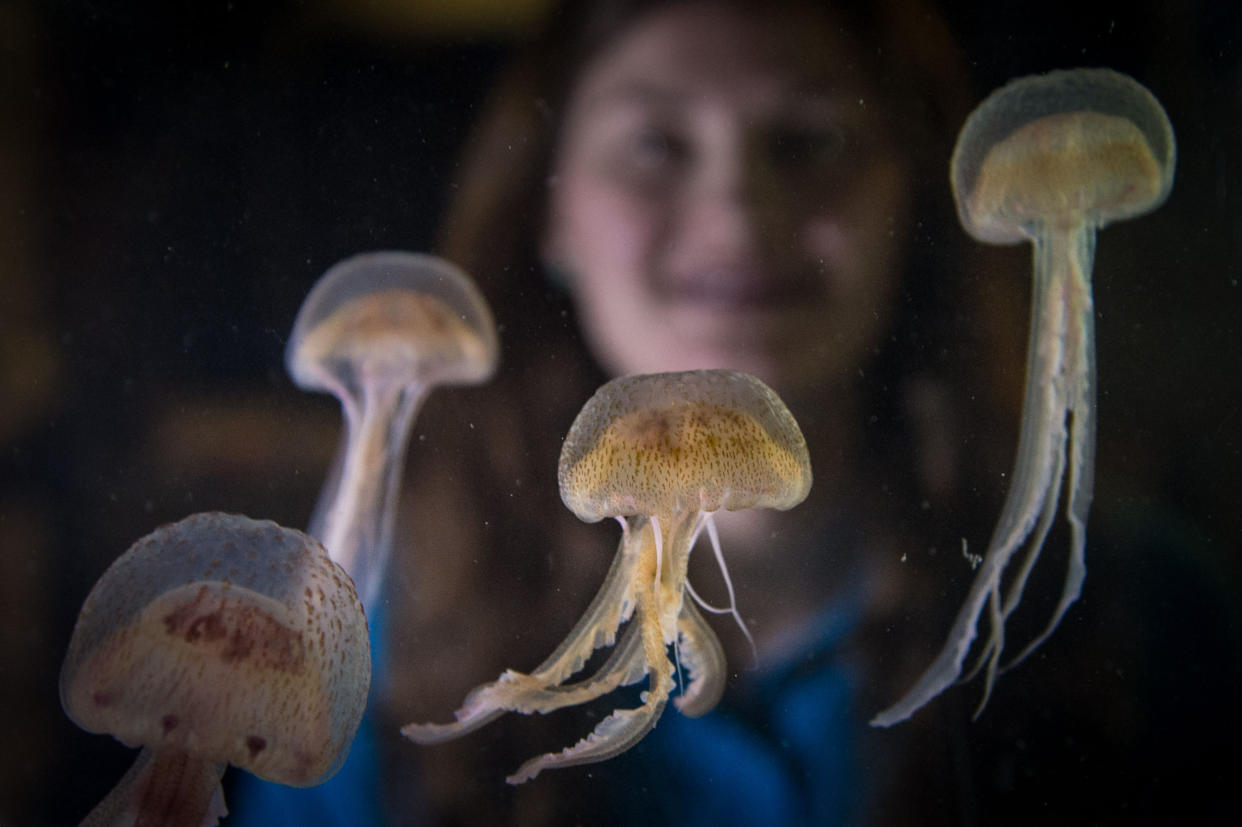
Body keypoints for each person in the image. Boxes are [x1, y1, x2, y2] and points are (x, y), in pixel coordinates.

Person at [233, 0, 1241, 825]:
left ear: (914, 204)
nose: (737, 213)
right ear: (551, 211)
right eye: (655, 144)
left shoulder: (1156, 614)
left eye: (811, 140)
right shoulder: (357, 647)